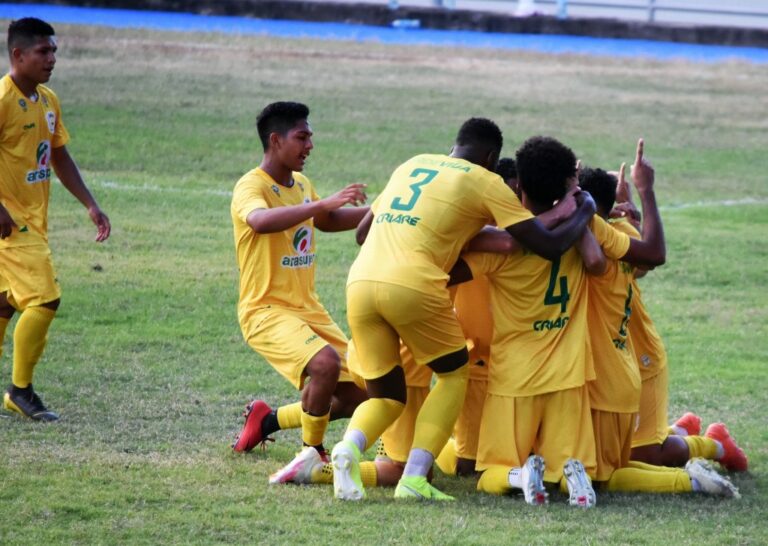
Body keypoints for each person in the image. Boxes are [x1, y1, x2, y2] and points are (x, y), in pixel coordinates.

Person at [331, 118, 597, 502]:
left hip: (360, 283)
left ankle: (348, 449)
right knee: (454, 375)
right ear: (491, 157)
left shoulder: (411, 164)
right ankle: (414, 479)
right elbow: (541, 245)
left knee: (388, 395)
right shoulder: (485, 180)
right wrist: (584, 208)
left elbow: (361, 234)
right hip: (413, 284)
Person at [577, 162, 739, 498]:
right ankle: (678, 429)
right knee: (608, 452)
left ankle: (712, 444)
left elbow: (648, 260)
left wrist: (635, 206)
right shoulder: (589, 233)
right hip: (604, 365)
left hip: (639, 357)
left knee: (643, 456)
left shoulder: (613, 235)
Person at [229, 101, 368, 482]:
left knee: (365, 390)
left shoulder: (302, 185)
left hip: (308, 309)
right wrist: (320, 205)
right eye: (301, 137)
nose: (309, 145)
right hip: (265, 310)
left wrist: (384, 210)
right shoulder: (251, 185)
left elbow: (328, 220)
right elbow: (258, 221)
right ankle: (313, 452)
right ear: (275, 140)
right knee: (323, 364)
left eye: (310, 136)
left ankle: (268, 419)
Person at [0, 18, 111, 421]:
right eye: (43, 52)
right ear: (18, 55)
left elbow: (59, 155)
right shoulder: (1, 99)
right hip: (12, 224)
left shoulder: (47, 100)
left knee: (4, 304)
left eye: (54, 51)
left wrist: (90, 204)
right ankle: (20, 390)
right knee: (45, 299)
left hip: (34, 219)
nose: (52, 58)